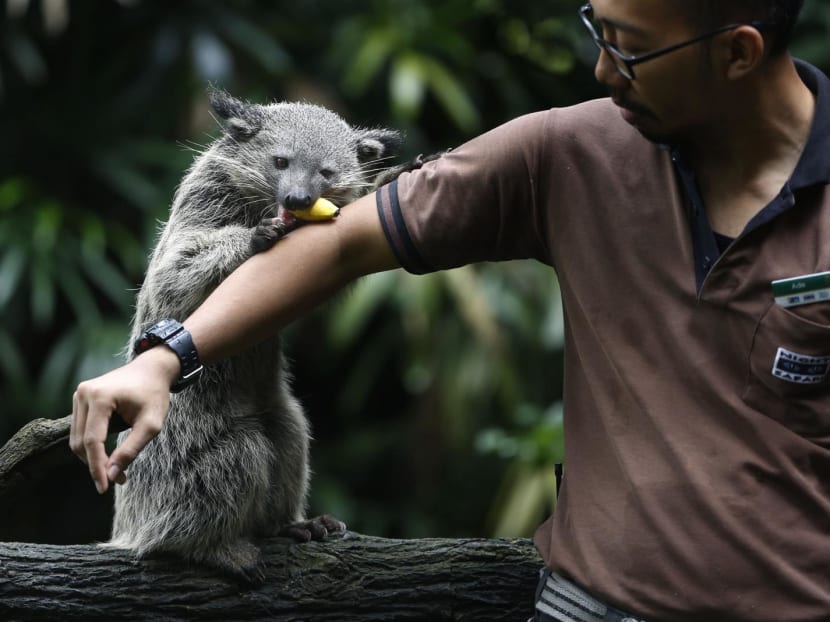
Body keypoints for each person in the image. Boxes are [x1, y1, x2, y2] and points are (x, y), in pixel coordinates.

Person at [71, 0, 828, 619]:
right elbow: (337, 243)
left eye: (628, 49)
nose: (602, 69)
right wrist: (169, 355)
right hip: (593, 604)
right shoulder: (568, 152)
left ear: (737, 53)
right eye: (598, 29)